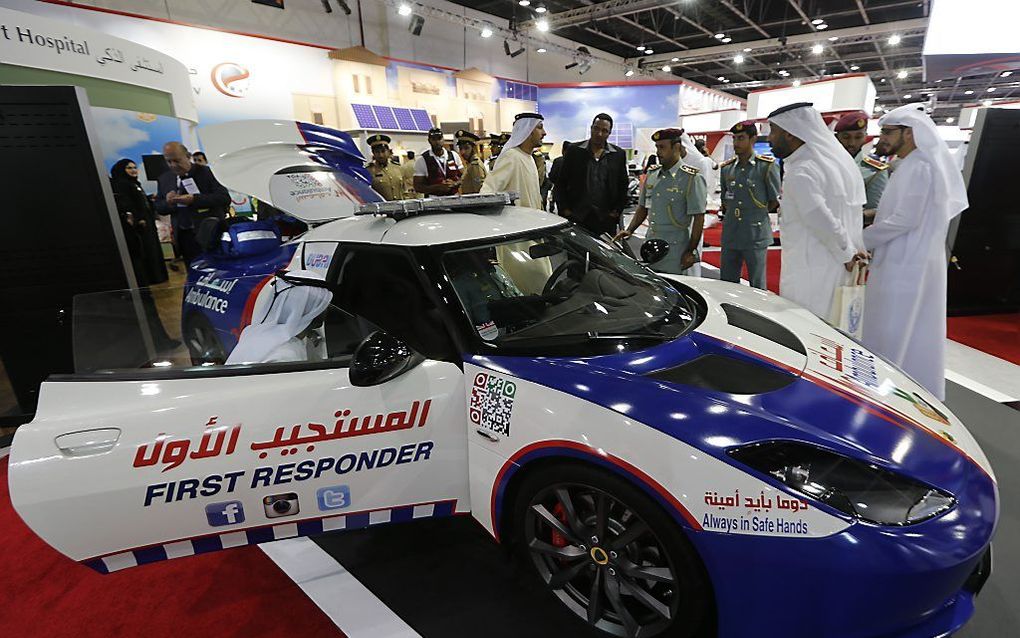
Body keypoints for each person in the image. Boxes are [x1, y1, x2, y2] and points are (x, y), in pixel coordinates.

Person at [862, 104, 968, 400]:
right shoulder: (912, 164)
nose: (881, 138)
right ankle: (898, 386)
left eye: (887, 132)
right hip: (905, 258)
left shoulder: (920, 166)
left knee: (895, 326)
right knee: (904, 326)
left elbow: (905, 220)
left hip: (907, 262)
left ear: (908, 134)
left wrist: (862, 240)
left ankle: (889, 391)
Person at [767, 103, 867, 319]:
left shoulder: (803, 171)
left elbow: (821, 218)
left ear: (790, 134)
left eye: (773, 131)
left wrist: (848, 252)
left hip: (810, 270)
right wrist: (853, 248)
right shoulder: (830, 163)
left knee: (807, 327)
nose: (769, 138)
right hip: (833, 265)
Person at [614, 128, 707, 275]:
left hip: (676, 250)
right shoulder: (652, 175)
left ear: (676, 147)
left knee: (677, 291)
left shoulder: (691, 178)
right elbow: (643, 207)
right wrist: (630, 229)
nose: (658, 152)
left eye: (662, 147)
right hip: (651, 246)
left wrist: (691, 250)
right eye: (657, 147)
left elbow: (699, 218)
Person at [717, 121, 781, 289]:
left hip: (755, 234)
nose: (736, 143)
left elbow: (773, 200)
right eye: (734, 139)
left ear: (753, 139)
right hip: (732, 232)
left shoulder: (766, 167)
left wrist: (754, 214)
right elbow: (725, 199)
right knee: (727, 283)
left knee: (757, 284)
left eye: (741, 138)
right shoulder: (727, 169)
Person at [226, 270, 333, 365]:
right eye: (322, 305)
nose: (326, 309)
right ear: (308, 310)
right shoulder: (285, 355)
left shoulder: (254, 332)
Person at [155, 141, 231, 265]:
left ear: (188, 156)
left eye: (177, 160)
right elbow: (159, 207)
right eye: (169, 161)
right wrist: (169, 202)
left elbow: (223, 198)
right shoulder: (165, 179)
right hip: (184, 236)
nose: (173, 165)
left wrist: (195, 199)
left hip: (210, 232)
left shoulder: (208, 173)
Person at [554, 113, 629, 236]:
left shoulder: (618, 154)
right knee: (576, 254)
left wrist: (616, 212)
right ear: (591, 128)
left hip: (605, 219)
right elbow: (561, 182)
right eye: (596, 128)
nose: (599, 134)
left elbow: (623, 185)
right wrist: (565, 210)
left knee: (606, 254)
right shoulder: (574, 151)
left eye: (604, 131)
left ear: (609, 133)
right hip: (577, 217)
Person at [110, 159, 168, 287]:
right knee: (146, 250)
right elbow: (128, 204)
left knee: (153, 248)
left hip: (147, 221)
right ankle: (152, 277)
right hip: (139, 225)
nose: (133, 170)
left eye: (134, 167)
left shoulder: (135, 184)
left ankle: (158, 276)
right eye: (129, 168)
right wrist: (139, 218)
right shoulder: (122, 184)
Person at [480, 112, 546, 209]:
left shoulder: (529, 158)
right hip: (517, 222)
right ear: (528, 130)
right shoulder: (511, 156)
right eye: (540, 127)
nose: (544, 133)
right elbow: (489, 191)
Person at [834, 111, 890, 226]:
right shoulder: (824, 163)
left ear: (865, 137)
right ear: (836, 137)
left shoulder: (875, 170)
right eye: (846, 137)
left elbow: (877, 211)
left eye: (858, 137)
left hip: (853, 233)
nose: (851, 143)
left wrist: (850, 216)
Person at [413, 128, 463, 196]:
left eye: (439, 138)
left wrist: (455, 183)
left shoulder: (454, 155)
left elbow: (464, 177)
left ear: (443, 139)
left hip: (454, 197)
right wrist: (437, 187)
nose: (437, 142)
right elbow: (417, 187)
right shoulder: (422, 160)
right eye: (434, 139)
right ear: (429, 141)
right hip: (434, 200)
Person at [365, 134, 406, 201]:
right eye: (377, 152)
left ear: (388, 151)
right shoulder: (369, 171)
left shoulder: (398, 168)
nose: (381, 155)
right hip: (382, 210)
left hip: (400, 208)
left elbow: (405, 190)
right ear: (373, 153)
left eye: (383, 151)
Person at [456, 130, 487, 195]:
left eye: (466, 148)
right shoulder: (470, 164)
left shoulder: (475, 165)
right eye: (460, 148)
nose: (463, 152)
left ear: (474, 148)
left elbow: (479, 191)